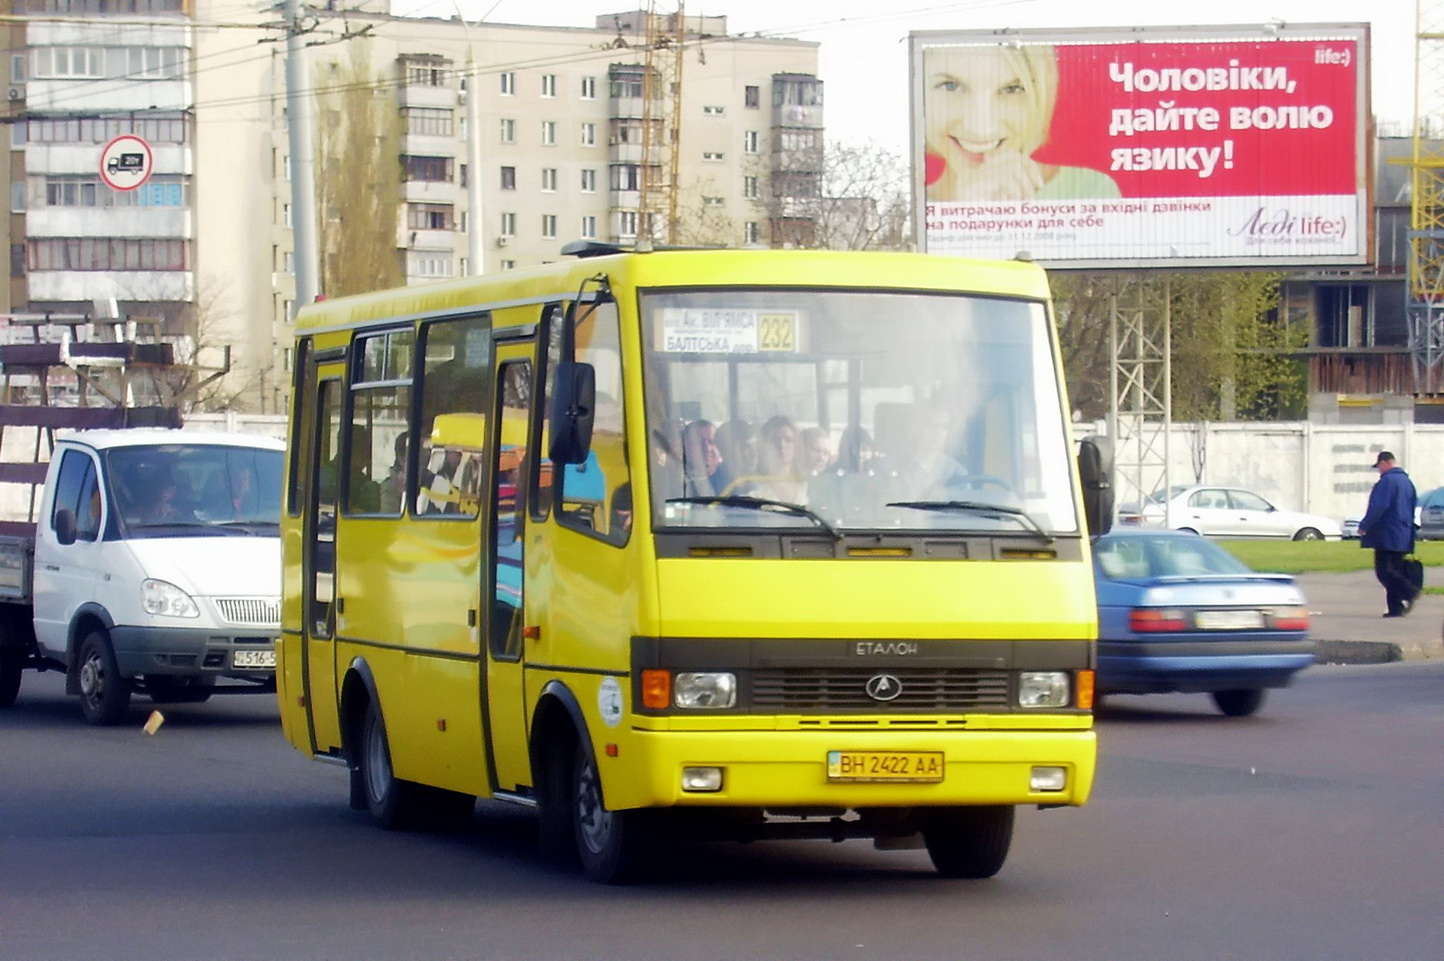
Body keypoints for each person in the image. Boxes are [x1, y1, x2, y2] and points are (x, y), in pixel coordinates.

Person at [923, 44, 1120, 202]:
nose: (981, 128)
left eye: (1012, 89)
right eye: (951, 86)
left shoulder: (1090, 191)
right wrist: (967, 214)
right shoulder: (911, 213)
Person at [1358, 450, 1419, 618]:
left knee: (1384, 571)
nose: (1379, 470)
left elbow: (1378, 507)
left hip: (1387, 533)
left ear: (1385, 463)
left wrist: (1365, 525)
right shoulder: (1407, 482)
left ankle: (1409, 592)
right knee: (1395, 569)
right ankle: (1395, 608)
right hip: (1403, 534)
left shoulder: (1387, 482)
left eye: (1379, 466)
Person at [754, 415, 808, 503]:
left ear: (796, 445)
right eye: (775, 440)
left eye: (788, 440)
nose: (782, 446)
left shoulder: (806, 486)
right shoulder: (754, 486)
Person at [679, 419, 722, 497]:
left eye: (711, 442)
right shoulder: (675, 484)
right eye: (699, 442)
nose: (707, 448)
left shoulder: (729, 481)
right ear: (685, 446)